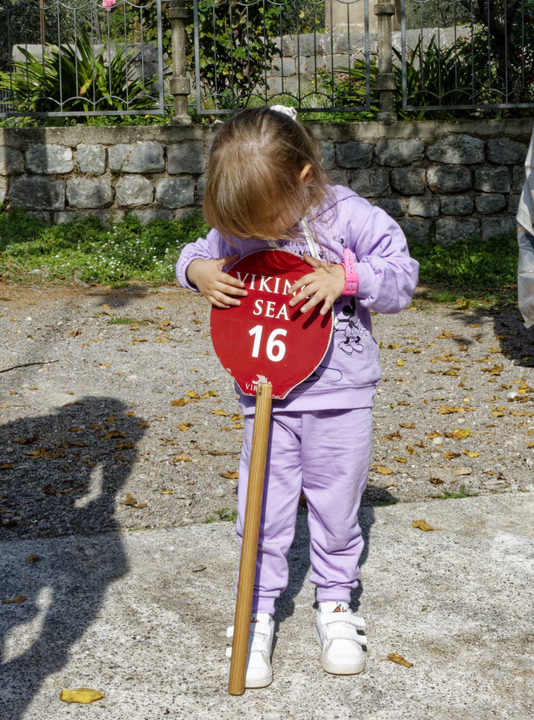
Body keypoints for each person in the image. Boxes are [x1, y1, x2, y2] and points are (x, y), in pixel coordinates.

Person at [175, 105, 418, 688]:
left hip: (341, 397)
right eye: (245, 228)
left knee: (335, 506)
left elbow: (403, 275)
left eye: (266, 221)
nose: (256, 237)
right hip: (265, 395)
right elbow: (196, 252)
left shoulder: (351, 218)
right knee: (261, 505)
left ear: (304, 178)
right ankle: (255, 610)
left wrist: (347, 278)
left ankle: (335, 602)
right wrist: (197, 272)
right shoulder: (243, 222)